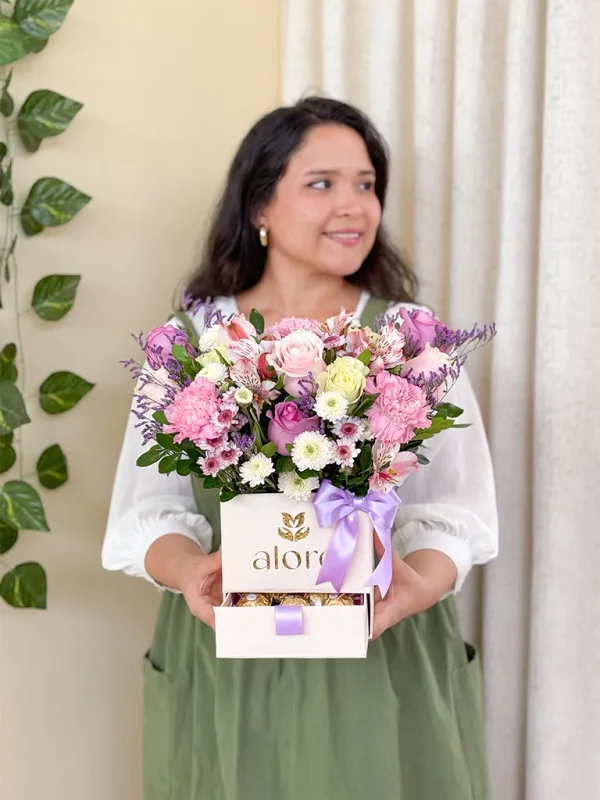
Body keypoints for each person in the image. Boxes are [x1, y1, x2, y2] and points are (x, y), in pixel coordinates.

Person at [102, 96, 498, 800]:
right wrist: (194, 576)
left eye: (366, 184)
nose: (353, 206)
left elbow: (452, 512)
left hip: (382, 656)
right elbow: (150, 511)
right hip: (227, 658)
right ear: (259, 205)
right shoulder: (190, 344)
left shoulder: (411, 338)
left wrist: (418, 588)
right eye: (322, 184)